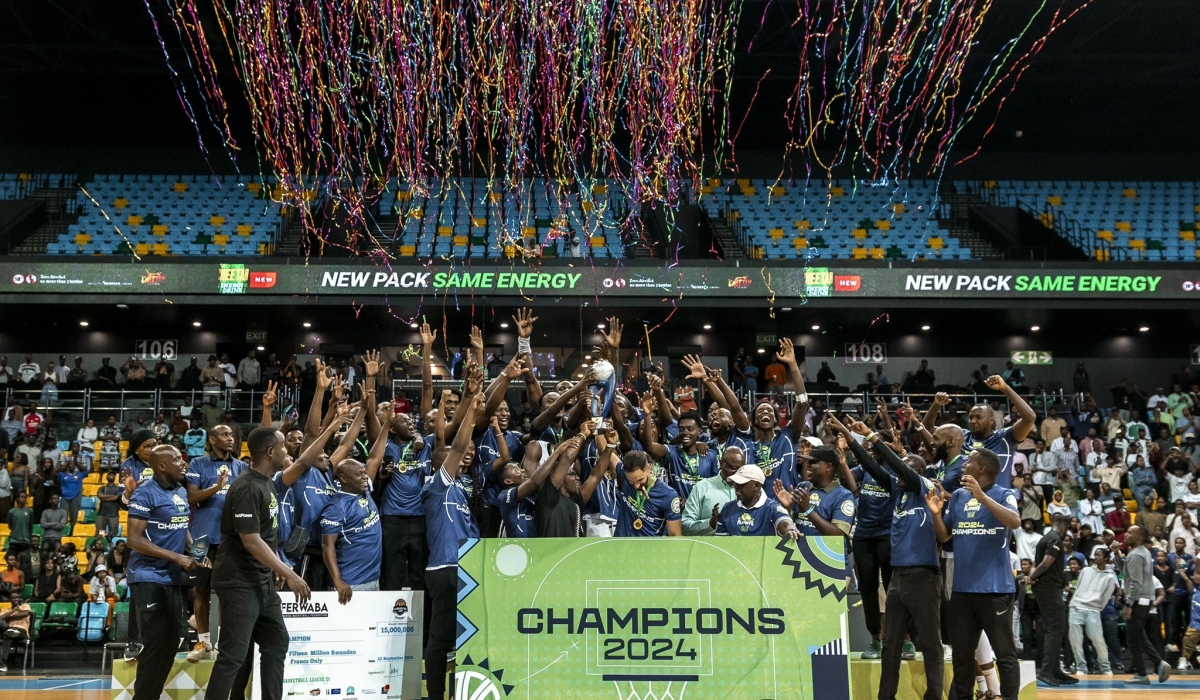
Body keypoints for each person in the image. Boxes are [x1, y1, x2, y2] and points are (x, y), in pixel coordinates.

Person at [203, 427, 311, 700]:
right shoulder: (247, 486)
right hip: (238, 582)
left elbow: (267, 533)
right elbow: (250, 539)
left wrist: (272, 569)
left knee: (276, 643)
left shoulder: (266, 482)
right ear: (271, 451)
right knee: (232, 657)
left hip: (260, 581)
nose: (287, 451)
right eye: (284, 446)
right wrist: (287, 572)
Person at [927, 448, 1021, 700]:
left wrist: (982, 496)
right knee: (962, 654)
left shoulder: (1004, 493)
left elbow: (1014, 521)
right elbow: (945, 535)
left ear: (981, 469)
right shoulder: (957, 496)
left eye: (969, 461)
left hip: (995, 589)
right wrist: (936, 515)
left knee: (1005, 654)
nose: (964, 463)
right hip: (962, 590)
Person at [126, 444, 208, 697]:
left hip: (171, 578)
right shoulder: (145, 494)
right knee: (155, 643)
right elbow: (133, 540)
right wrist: (177, 557)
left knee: (173, 641)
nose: (183, 462)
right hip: (147, 577)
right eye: (177, 459)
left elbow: (181, 526)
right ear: (161, 466)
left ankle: (151, 693)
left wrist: (196, 552)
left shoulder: (181, 491)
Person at [423, 392, 484, 700]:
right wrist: (471, 411)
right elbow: (458, 447)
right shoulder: (437, 485)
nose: (459, 460)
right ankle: (435, 695)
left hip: (462, 570)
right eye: (450, 460)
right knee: (439, 641)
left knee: (463, 639)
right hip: (444, 569)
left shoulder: (460, 491)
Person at [184, 424, 248, 661]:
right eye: (224, 434)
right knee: (200, 589)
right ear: (212, 439)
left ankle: (222, 643)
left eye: (232, 434)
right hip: (202, 538)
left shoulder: (242, 467)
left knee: (226, 592)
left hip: (230, 539)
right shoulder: (198, 464)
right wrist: (216, 488)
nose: (230, 438)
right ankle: (204, 642)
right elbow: (191, 497)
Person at [320, 404, 391, 601]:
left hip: (372, 578)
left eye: (363, 473)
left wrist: (386, 426)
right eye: (359, 474)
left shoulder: (364, 490)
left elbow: (375, 457)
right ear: (343, 478)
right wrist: (337, 580)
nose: (364, 477)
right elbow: (327, 546)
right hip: (351, 583)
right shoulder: (336, 507)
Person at [1027, 514, 1076, 686]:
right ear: (1064, 526)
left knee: (1055, 628)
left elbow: (1038, 561)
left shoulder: (1045, 538)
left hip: (1046, 588)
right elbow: (1047, 562)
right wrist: (1031, 576)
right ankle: (1047, 671)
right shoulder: (1055, 539)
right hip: (1049, 588)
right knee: (1055, 629)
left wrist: (1033, 576)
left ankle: (1055, 670)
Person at [1122, 525, 1172, 684]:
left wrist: (1129, 603)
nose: (1126, 535)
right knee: (1138, 635)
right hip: (1146, 599)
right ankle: (1158, 663)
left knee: (1133, 638)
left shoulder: (1136, 555)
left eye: (1130, 532)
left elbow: (1135, 583)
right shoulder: (1143, 552)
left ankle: (1143, 674)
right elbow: (1127, 572)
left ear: (1138, 538)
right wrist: (1117, 554)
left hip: (1138, 600)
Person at [713, 464, 799, 538]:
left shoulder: (772, 508)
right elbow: (721, 543)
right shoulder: (728, 508)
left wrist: (790, 530)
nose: (736, 487)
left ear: (756, 486)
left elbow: (785, 523)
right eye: (735, 483)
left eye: (741, 484)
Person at [682, 447, 744, 535]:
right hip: (709, 547)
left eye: (742, 469)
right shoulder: (702, 487)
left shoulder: (751, 488)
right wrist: (710, 523)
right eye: (733, 468)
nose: (738, 473)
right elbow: (684, 526)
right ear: (721, 464)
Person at [0, 594, 33, 673]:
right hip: (8, 631)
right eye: (13, 598)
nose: (16, 599)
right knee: (7, 635)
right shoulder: (6, 609)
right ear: (10, 599)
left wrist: (9, 617)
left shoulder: (25, 606)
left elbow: (25, 614)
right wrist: (14, 610)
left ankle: (2, 664)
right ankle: (2, 664)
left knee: (7, 635)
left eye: (17, 597)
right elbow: (1, 618)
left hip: (21, 631)